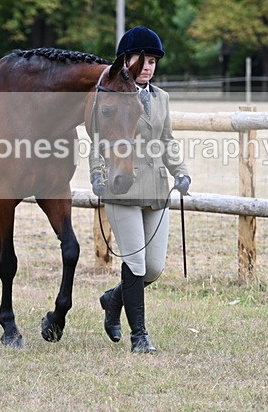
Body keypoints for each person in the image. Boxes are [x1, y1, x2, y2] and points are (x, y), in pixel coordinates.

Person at [89, 26, 191, 354]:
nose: (147, 66)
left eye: (153, 61)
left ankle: (113, 298)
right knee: (135, 263)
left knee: (154, 268)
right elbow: (98, 139)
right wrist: (97, 174)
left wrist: (182, 173)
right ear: (126, 61)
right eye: (141, 59)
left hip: (156, 188)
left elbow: (167, 140)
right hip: (122, 187)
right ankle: (140, 336)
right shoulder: (110, 94)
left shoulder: (162, 99)